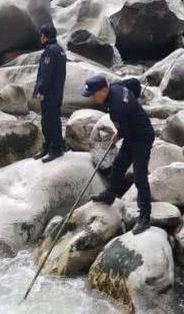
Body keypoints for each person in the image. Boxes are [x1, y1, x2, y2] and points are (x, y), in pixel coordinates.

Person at [82, 75, 154, 235]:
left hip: (142, 137)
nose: (92, 98)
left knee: (140, 177)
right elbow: (134, 83)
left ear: (104, 90)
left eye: (94, 94)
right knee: (119, 165)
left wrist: (118, 134)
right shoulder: (116, 86)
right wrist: (134, 98)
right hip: (132, 134)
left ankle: (145, 218)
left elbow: (124, 129)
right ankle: (110, 195)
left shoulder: (117, 107)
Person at [32, 24, 67, 163]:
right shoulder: (60, 50)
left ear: (44, 36)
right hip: (58, 91)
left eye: (41, 35)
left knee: (50, 120)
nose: (40, 38)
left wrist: (40, 91)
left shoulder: (49, 52)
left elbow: (46, 75)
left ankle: (56, 149)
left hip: (49, 93)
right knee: (52, 119)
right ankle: (47, 147)